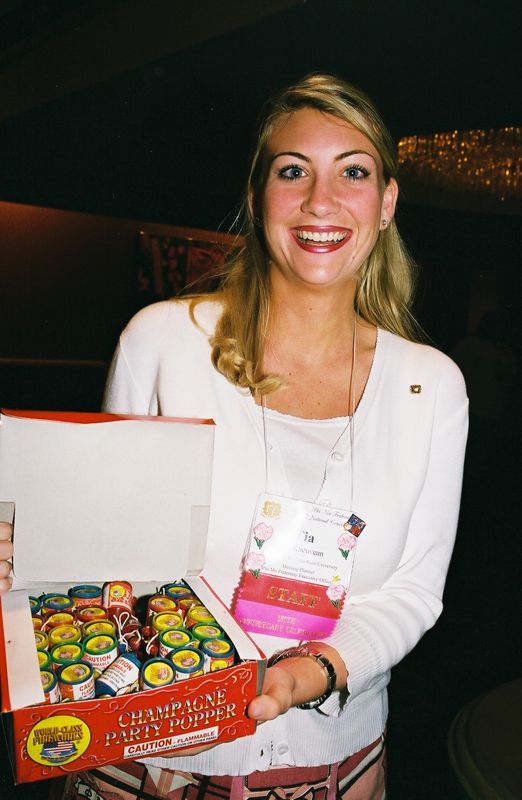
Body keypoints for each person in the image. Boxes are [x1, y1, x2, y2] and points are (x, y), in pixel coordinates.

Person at [0, 73, 468, 799]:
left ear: (386, 204)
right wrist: (26, 547)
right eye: (292, 171)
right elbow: (101, 551)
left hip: (331, 764)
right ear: (257, 198)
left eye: (353, 172)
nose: (321, 201)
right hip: (149, 755)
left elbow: (414, 589)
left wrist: (313, 673)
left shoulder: (431, 385)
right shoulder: (164, 341)